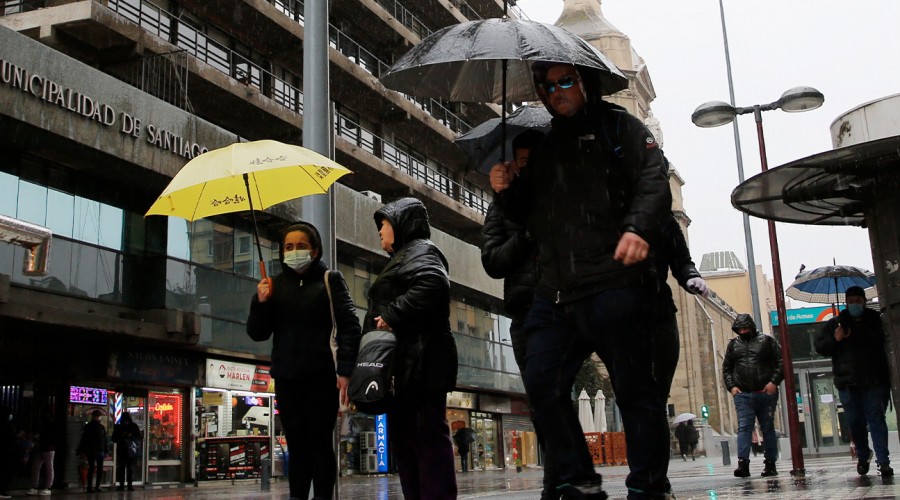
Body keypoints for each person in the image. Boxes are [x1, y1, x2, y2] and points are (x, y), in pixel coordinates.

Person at [490, 62, 673, 499]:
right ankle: (577, 477)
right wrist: (507, 190)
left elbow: (655, 181)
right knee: (542, 383)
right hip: (556, 293)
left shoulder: (620, 129)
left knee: (635, 393)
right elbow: (529, 216)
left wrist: (637, 228)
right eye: (548, 86)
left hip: (615, 284)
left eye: (566, 81)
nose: (557, 92)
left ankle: (648, 486)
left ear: (585, 82)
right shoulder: (546, 145)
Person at [247, 221, 362, 500]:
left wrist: (345, 370)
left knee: (320, 443)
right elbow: (257, 333)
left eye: (301, 246)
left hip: (322, 377)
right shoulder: (274, 284)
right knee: (297, 445)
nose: (294, 251)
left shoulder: (330, 280)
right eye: (288, 247)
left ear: (315, 250)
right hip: (287, 378)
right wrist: (261, 302)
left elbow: (349, 326)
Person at [481, 129, 559, 498]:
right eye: (524, 163)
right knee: (541, 399)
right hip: (526, 313)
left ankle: (566, 477)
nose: (531, 169)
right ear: (512, 164)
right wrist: (526, 235)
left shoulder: (562, 196)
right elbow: (493, 261)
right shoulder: (500, 206)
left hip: (565, 309)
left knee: (557, 395)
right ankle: (555, 478)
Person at [365, 197, 458, 500]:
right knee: (410, 444)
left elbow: (433, 283)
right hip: (408, 366)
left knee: (425, 440)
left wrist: (391, 315)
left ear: (402, 223)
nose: (380, 231)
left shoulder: (421, 251)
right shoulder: (406, 255)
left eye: (385, 224)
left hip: (420, 365)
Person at [814, 285, 893, 477]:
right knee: (855, 422)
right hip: (848, 383)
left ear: (864, 302)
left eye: (858, 301)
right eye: (851, 301)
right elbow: (821, 347)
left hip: (873, 381)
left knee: (876, 420)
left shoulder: (875, 321)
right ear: (846, 302)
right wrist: (836, 338)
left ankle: (883, 462)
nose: (854, 304)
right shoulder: (837, 323)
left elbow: (882, 344)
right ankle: (863, 455)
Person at [652, 212, 709, 402]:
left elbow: (682, 260)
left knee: (657, 391)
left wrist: (691, 275)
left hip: (657, 310)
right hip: (615, 314)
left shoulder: (663, 219)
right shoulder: (602, 211)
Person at [722, 314, 783, 478]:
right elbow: (727, 367)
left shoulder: (767, 341)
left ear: (752, 327)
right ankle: (743, 464)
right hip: (743, 394)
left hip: (764, 392)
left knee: (767, 427)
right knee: (744, 428)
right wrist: (732, 387)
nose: (742, 331)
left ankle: (770, 463)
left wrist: (773, 382)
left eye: (745, 328)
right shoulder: (733, 345)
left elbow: (781, 361)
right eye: (739, 329)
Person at [76, 409, 107, 492]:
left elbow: (104, 440)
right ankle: (91, 487)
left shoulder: (97, 427)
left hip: (96, 450)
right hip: (93, 450)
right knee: (92, 468)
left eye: (98, 416)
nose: (97, 418)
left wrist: (105, 450)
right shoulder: (95, 427)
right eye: (97, 416)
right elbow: (85, 439)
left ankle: (95, 486)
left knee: (96, 468)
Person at [27, 413, 58, 496]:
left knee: (37, 467)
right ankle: (46, 487)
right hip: (48, 448)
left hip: (44, 448)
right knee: (48, 468)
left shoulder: (42, 426)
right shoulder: (51, 426)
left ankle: (36, 486)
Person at [112, 412, 142, 491]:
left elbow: (139, 436)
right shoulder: (129, 426)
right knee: (125, 469)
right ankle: (126, 485)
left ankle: (126, 485)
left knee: (126, 469)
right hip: (126, 451)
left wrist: (129, 436)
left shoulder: (121, 427)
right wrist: (123, 436)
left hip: (128, 451)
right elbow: (114, 438)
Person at [0, 406, 16, 499]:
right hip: (6, 452)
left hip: (4, 451)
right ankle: (2, 490)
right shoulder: (7, 425)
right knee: (5, 471)